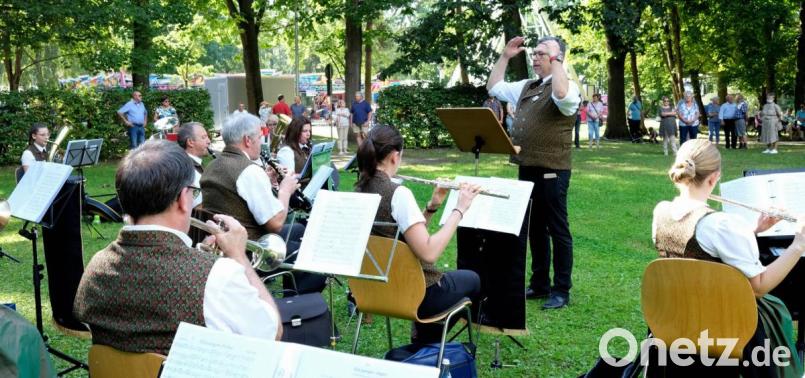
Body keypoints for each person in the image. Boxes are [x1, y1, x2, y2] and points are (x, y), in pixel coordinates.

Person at [74, 140, 282, 355]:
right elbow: (272, 332)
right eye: (193, 192)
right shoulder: (219, 275)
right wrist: (239, 257)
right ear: (183, 199)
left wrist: (199, 256)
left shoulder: (96, 266)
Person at [652, 139, 804, 377]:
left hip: (674, 317)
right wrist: (798, 244)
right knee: (776, 310)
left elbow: (698, 257)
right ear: (714, 178)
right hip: (723, 323)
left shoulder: (660, 212)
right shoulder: (721, 225)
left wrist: (753, 231)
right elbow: (760, 286)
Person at [354, 125, 482, 343]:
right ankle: (426, 342)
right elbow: (429, 253)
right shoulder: (398, 194)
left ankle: (424, 343)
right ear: (395, 156)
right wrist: (460, 209)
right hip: (414, 293)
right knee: (473, 279)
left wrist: (431, 207)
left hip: (374, 290)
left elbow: (400, 236)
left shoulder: (358, 189)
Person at [487, 35, 580, 309]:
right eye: (535, 53)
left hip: (553, 171)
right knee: (535, 230)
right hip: (527, 168)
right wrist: (505, 56)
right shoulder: (528, 86)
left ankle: (561, 290)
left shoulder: (567, 87)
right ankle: (540, 284)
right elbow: (494, 87)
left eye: (542, 53)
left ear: (557, 56)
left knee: (558, 229)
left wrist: (557, 58)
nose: (535, 57)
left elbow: (561, 95)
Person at [200, 113, 325, 294]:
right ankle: (299, 304)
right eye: (259, 137)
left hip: (223, 245)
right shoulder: (249, 171)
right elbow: (275, 223)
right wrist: (284, 190)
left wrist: (266, 181)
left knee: (300, 229)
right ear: (247, 140)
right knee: (309, 251)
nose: (261, 142)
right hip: (251, 250)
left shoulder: (212, 166)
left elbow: (234, 194)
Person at [177, 122, 211, 208]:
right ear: (190, 142)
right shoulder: (189, 170)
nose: (209, 141)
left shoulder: (187, 162)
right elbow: (198, 207)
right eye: (204, 137)